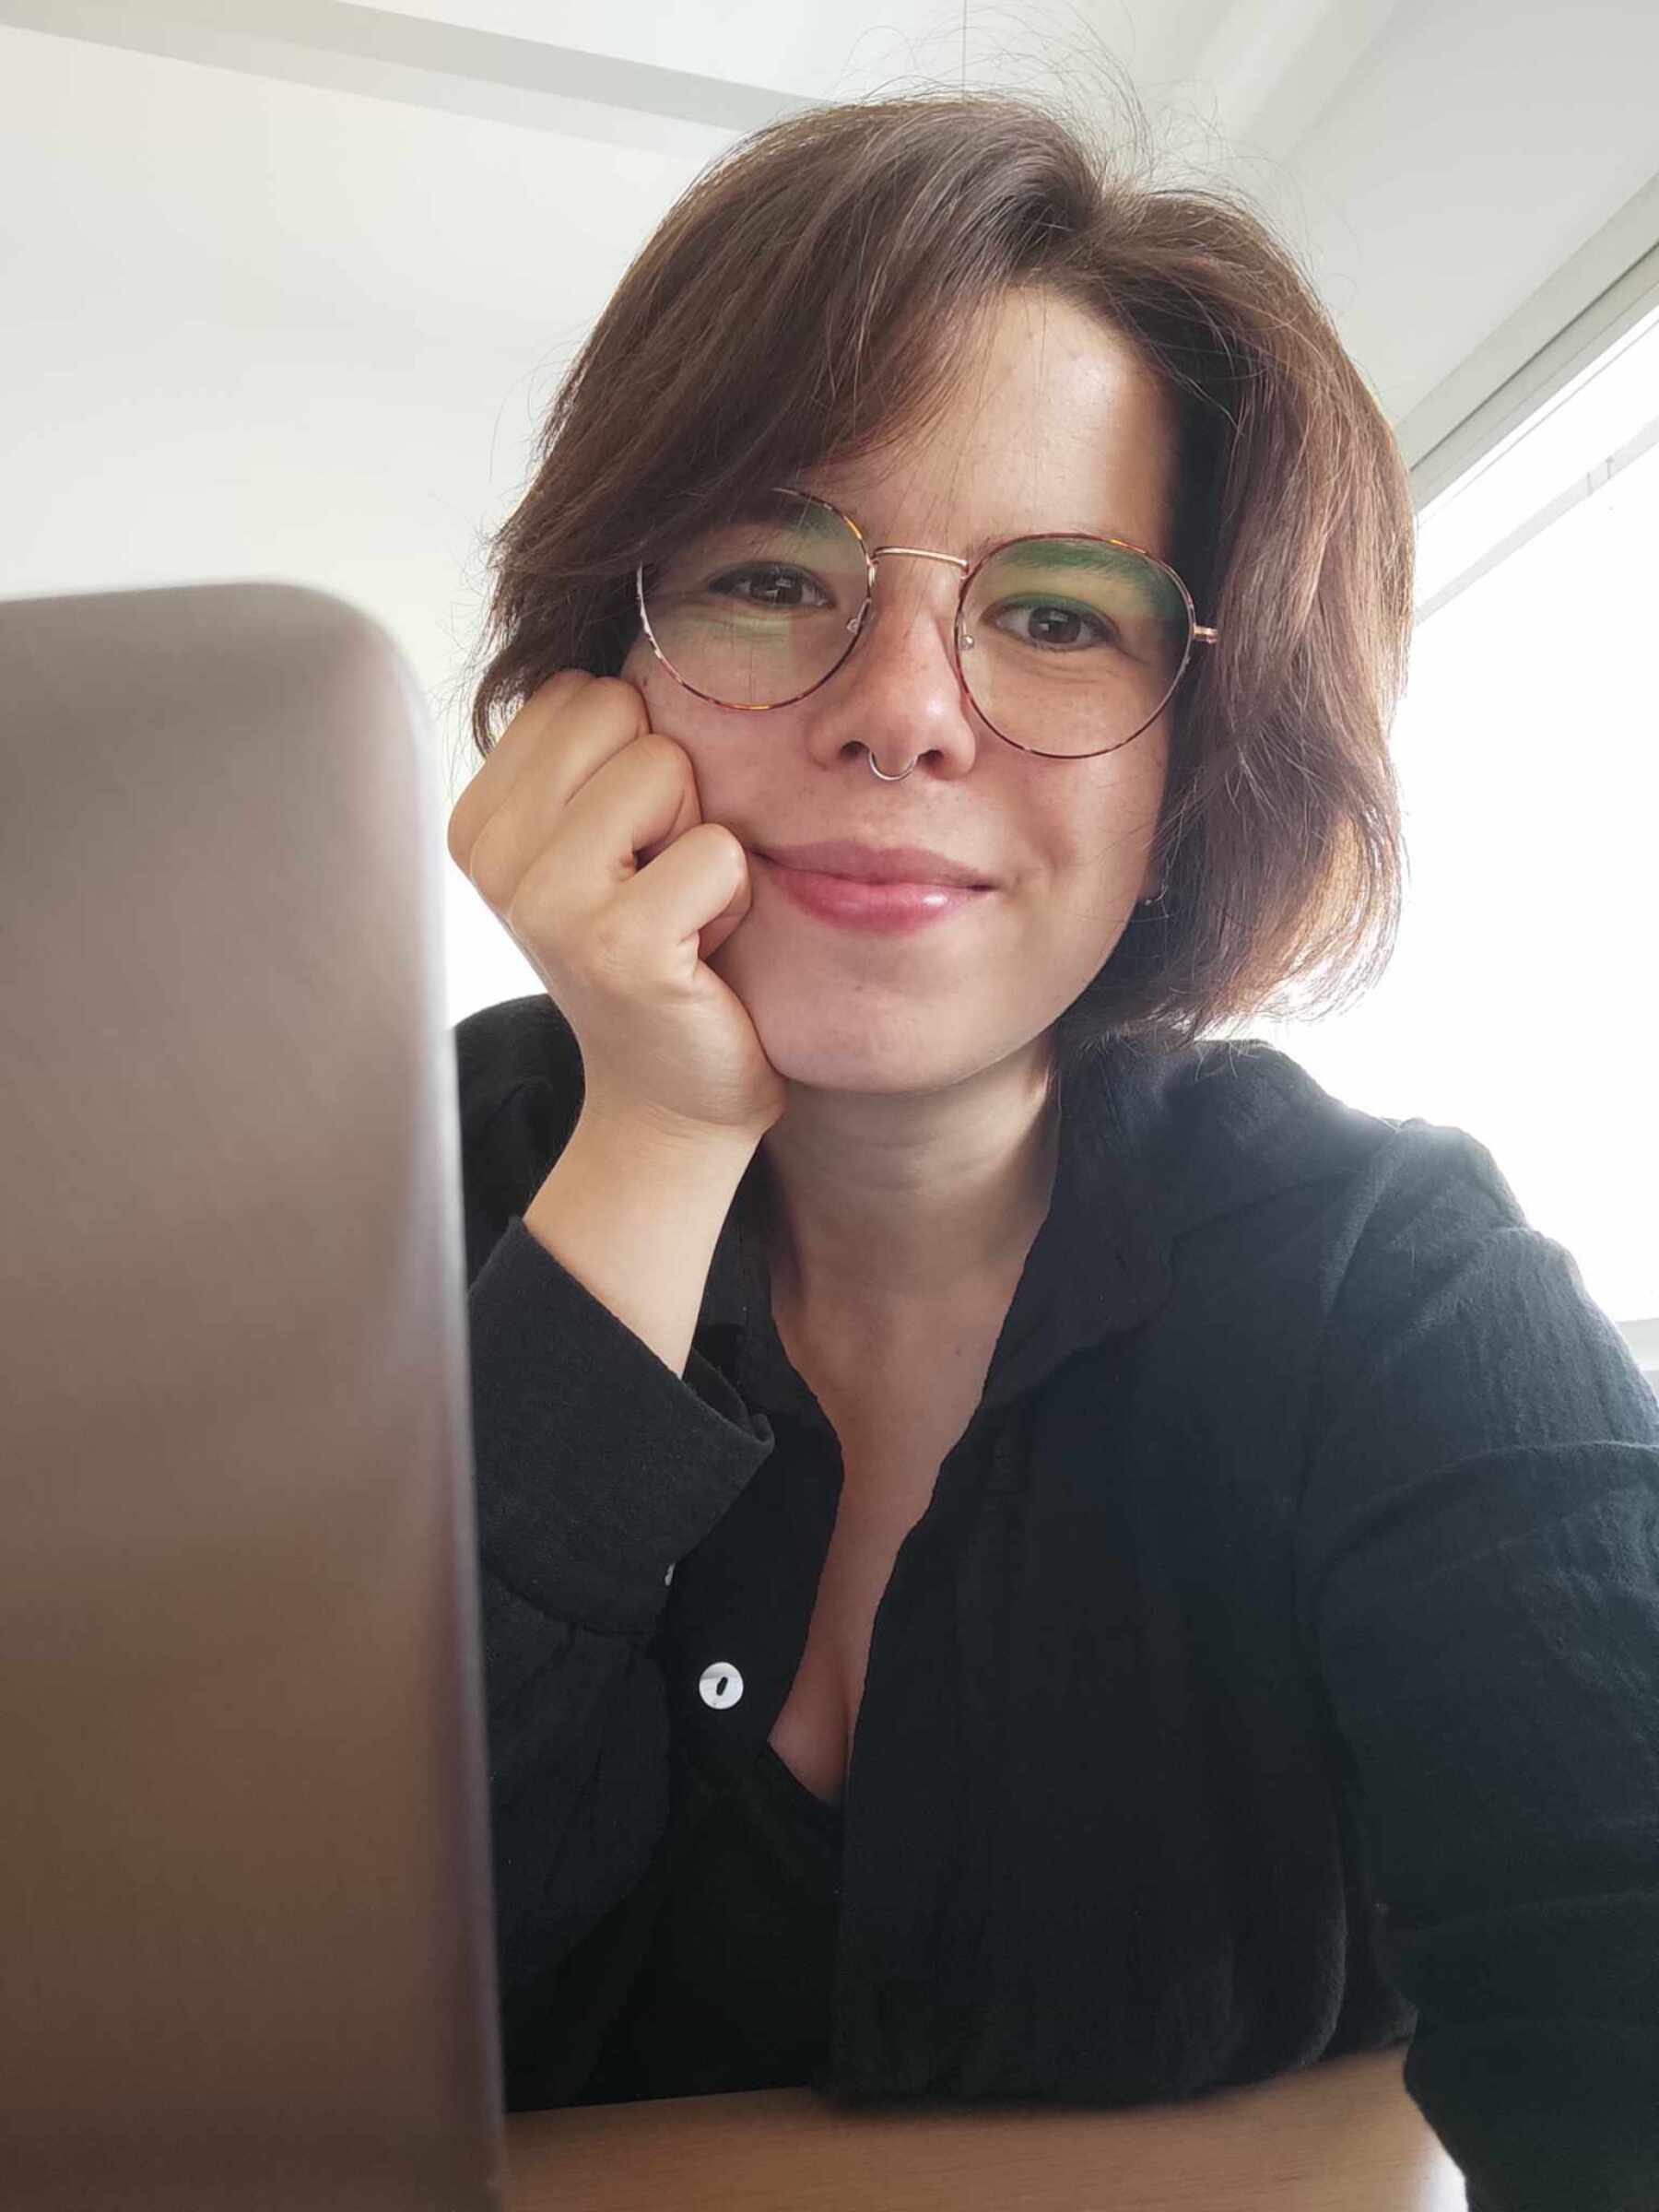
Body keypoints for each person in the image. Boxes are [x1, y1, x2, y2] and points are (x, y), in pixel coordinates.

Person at [444, 87, 1659, 2210]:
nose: (905, 709)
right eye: (770, 576)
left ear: (1197, 768)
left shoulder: (1383, 1276)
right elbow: (256, 1982)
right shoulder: (398, 1181)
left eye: (1062, 614)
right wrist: (654, 1132)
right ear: (590, 682)